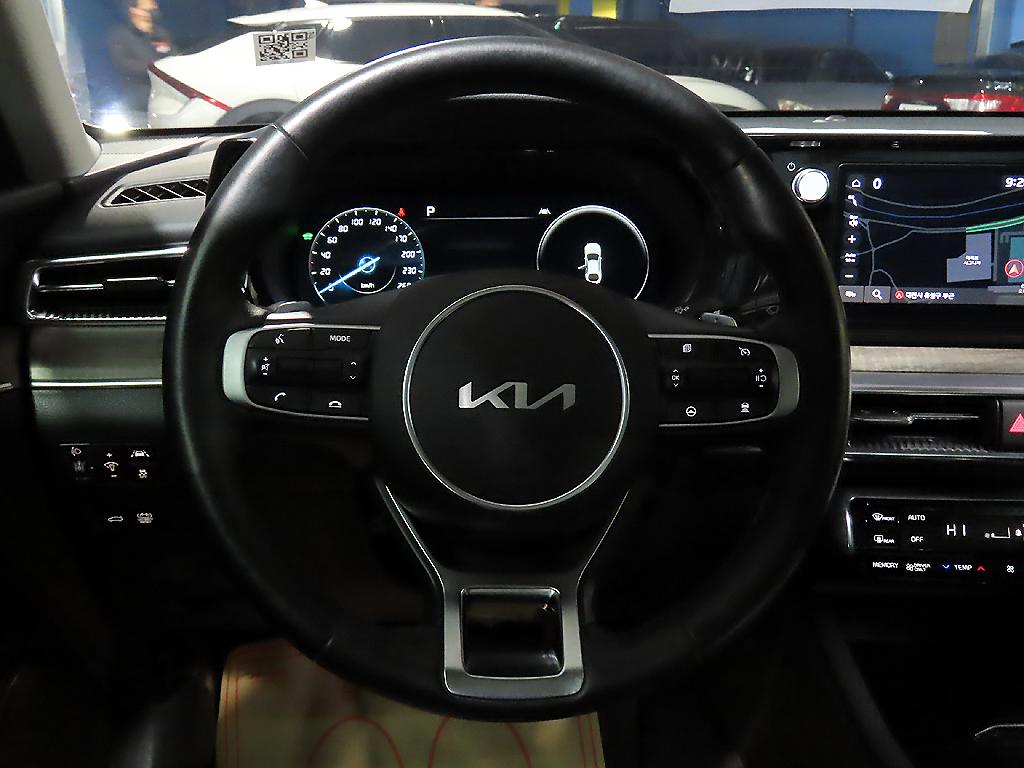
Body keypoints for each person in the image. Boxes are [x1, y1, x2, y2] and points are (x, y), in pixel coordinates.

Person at [108, 0, 174, 125]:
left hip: (167, 102)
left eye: (153, 9)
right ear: (133, 10)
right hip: (137, 107)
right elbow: (123, 64)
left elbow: (175, 59)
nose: (152, 11)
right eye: (146, 9)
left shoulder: (162, 35)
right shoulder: (120, 35)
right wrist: (156, 68)